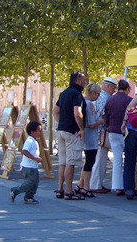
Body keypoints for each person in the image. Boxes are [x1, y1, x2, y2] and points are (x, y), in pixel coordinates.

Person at [53, 71, 87, 200]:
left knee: (62, 162)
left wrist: (62, 122)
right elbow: (77, 113)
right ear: (77, 80)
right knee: (70, 163)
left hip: (61, 130)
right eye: (83, 80)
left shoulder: (64, 93)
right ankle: (68, 192)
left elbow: (55, 111)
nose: (84, 82)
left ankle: (60, 189)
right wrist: (81, 128)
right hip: (72, 132)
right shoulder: (77, 94)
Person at [104, 79, 132, 195]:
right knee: (129, 159)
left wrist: (107, 127)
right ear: (127, 89)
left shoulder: (110, 100)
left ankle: (116, 186)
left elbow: (106, 117)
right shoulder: (129, 100)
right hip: (125, 132)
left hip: (112, 131)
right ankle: (127, 185)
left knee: (117, 158)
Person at [75, 83, 103, 198]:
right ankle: (86, 186)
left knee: (88, 160)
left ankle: (80, 185)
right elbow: (91, 124)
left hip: (85, 135)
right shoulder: (90, 104)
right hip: (91, 136)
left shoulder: (82, 102)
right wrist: (101, 121)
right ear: (93, 93)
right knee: (90, 162)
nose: (98, 97)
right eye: (97, 94)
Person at [90, 77, 117, 193]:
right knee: (100, 160)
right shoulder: (105, 98)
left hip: (96, 132)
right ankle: (96, 185)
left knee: (98, 159)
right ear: (108, 87)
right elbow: (102, 115)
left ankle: (95, 184)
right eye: (113, 88)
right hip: (102, 132)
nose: (114, 91)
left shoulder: (98, 97)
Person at [10, 121, 43, 204]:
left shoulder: (33, 141)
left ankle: (29, 197)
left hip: (33, 166)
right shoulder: (30, 141)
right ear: (32, 132)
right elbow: (24, 151)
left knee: (34, 182)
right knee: (29, 182)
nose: (40, 133)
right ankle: (15, 190)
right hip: (28, 167)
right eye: (39, 130)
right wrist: (34, 158)